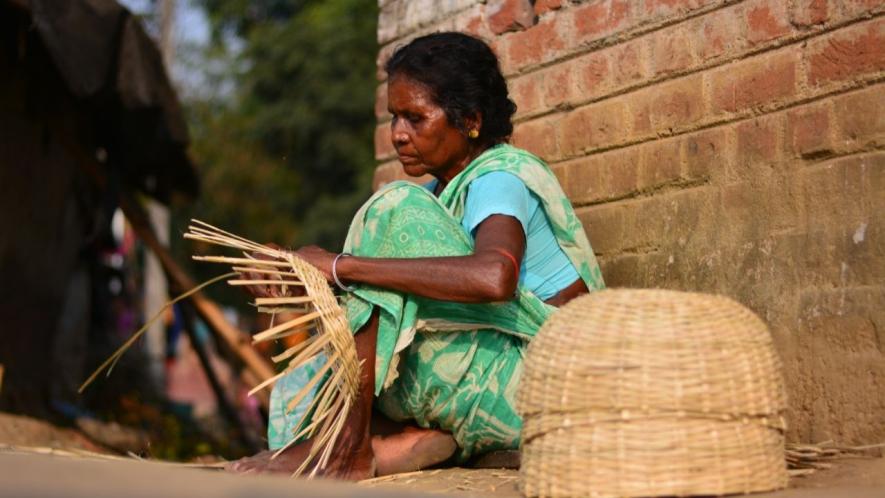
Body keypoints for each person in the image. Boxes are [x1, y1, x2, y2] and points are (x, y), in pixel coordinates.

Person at [228, 32, 605, 478]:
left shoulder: (499, 178)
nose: (398, 135)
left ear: (470, 121)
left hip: (549, 391)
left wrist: (340, 267)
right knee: (303, 382)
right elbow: (374, 298)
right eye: (393, 118)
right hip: (495, 386)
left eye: (415, 118)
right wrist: (296, 271)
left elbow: (495, 277)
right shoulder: (436, 196)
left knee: (389, 210)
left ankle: (351, 447)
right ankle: (409, 440)